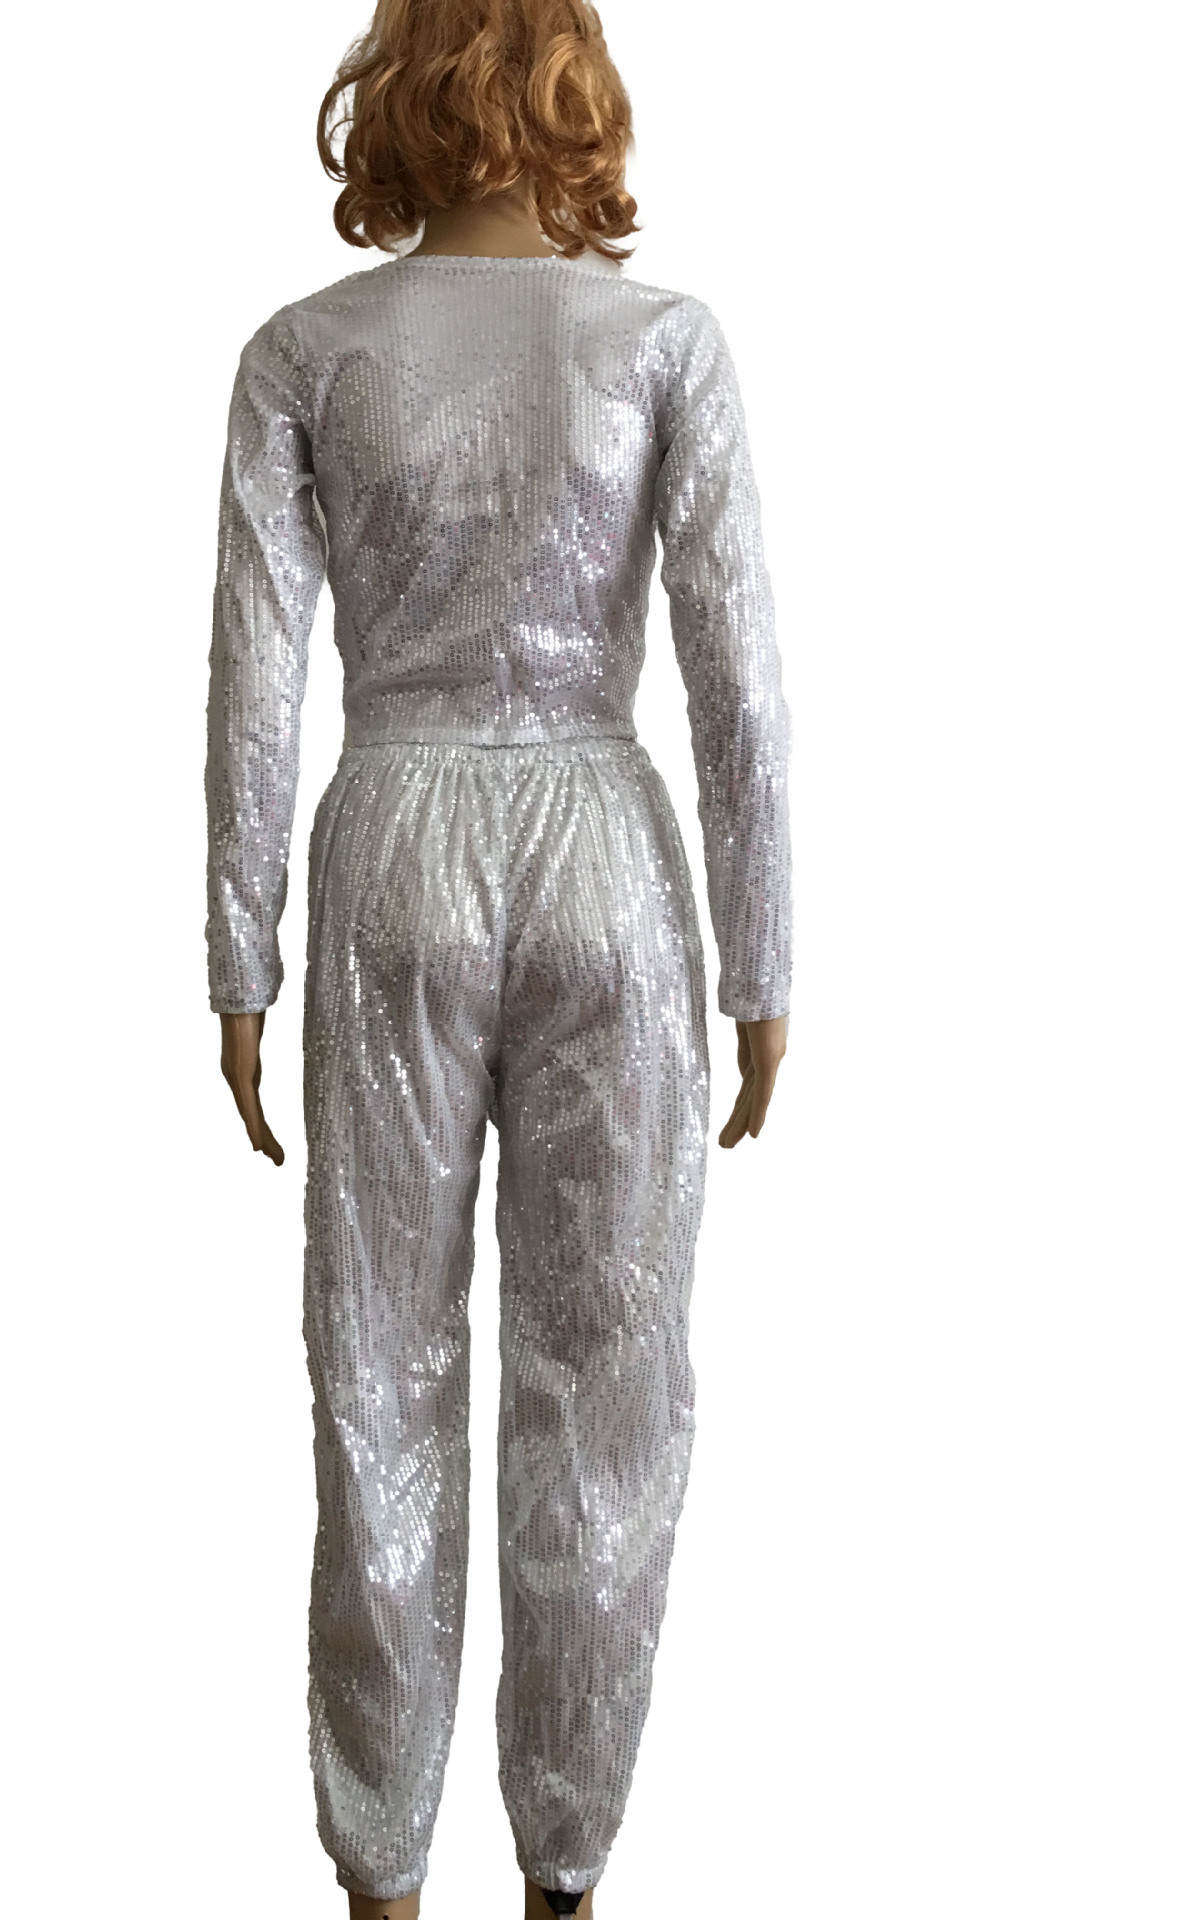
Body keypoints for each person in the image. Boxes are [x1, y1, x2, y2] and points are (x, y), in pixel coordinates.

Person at [204, 1, 791, 1912]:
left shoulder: (306, 354)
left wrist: (238, 952)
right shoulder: (663, 343)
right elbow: (735, 674)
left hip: (389, 853)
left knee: (376, 1371)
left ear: (390, 88)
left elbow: (255, 677)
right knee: (603, 1386)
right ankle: (567, 1878)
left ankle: (381, 1879)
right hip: (607, 856)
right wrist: (763, 957)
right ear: (574, 83)